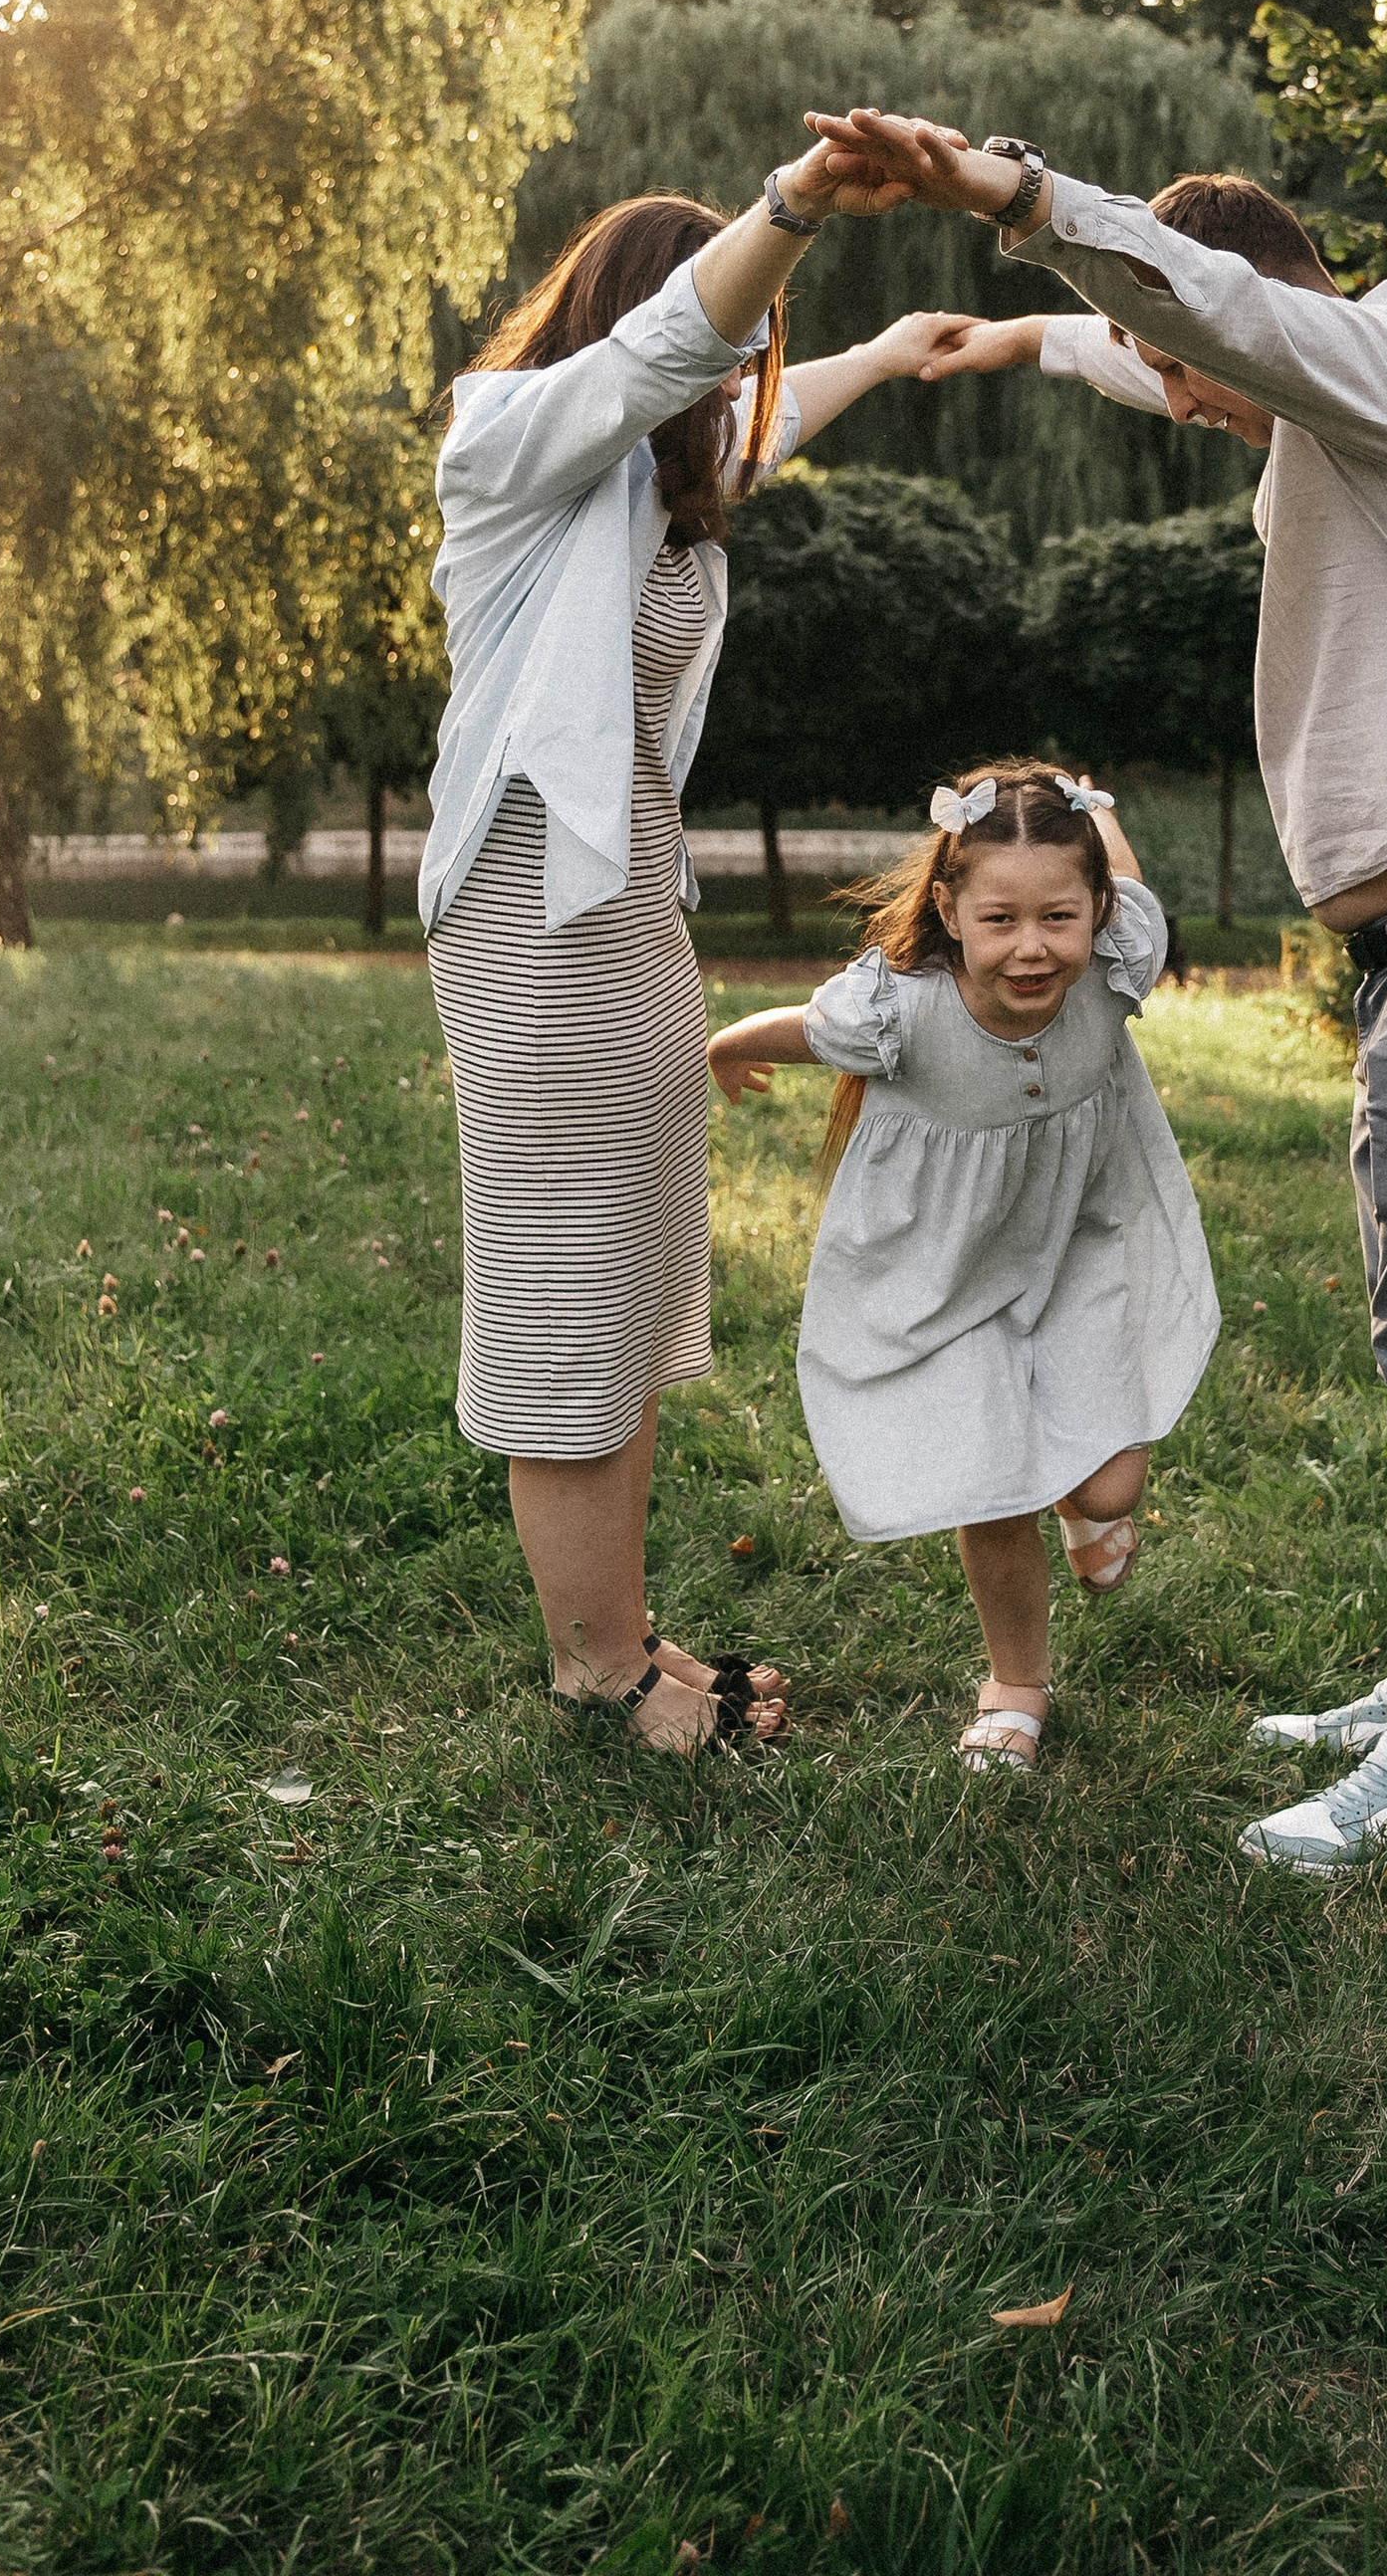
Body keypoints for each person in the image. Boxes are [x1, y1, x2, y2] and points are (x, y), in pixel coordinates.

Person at [810, 110, 1387, 1868]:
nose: (1185, 405)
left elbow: (1213, 323)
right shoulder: (1343, 421)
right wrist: (1021, 339)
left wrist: (1016, 204)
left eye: (1196, 366)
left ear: (1257, 304)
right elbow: (1173, 346)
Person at [420, 134, 966, 1757]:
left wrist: (885, 350)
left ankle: (624, 1631)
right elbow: (681, 351)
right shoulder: (511, 440)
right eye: (721, 335)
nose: (738, 379)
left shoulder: (656, 477)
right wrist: (793, 214)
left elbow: (741, 410)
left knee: (636, 1281)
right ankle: (598, 1675)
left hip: (632, 918)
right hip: (533, 917)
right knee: (565, 1285)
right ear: (642, 320)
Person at [706, 764, 1220, 1771]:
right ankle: (1014, 1690)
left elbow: (1126, 879)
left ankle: (1086, 1512)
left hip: (1081, 1245)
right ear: (949, 907)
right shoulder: (896, 1008)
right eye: (1000, 919)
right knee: (994, 1484)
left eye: (1057, 917)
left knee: (1112, 1487)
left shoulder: (1117, 961)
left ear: (1095, 912)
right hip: (941, 1278)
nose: (1032, 947)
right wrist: (727, 1045)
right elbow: (801, 1031)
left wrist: (1096, 809)